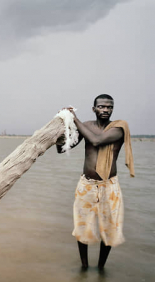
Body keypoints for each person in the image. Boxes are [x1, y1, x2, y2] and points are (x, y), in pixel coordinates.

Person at [56, 94, 135, 270]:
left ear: (113, 109)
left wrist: (75, 119)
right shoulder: (87, 126)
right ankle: (84, 266)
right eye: (101, 107)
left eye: (109, 107)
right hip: (86, 184)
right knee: (81, 226)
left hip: (109, 185)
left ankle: (101, 267)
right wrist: (63, 129)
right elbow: (63, 149)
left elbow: (96, 141)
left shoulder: (120, 127)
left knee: (109, 228)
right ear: (94, 109)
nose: (105, 110)